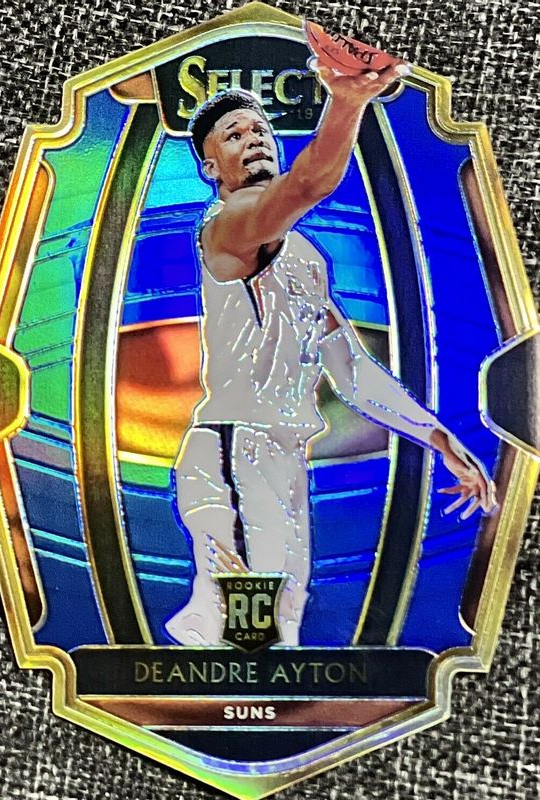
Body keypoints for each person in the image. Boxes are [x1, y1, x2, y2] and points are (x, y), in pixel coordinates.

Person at [165, 58, 496, 647]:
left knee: (269, 635)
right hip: (235, 448)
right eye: (234, 135)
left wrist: (439, 438)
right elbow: (307, 185)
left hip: (282, 455)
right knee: (252, 640)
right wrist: (347, 102)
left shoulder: (302, 256)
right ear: (211, 167)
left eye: (260, 130)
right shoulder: (227, 227)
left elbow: (352, 371)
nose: (254, 139)